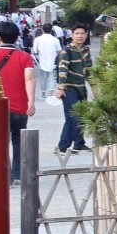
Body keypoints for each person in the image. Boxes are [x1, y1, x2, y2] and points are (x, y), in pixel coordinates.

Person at [0, 19, 34, 183]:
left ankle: (3, 174)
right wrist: (31, 101)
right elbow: (28, 79)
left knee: (0, 142)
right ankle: (17, 174)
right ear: (17, 38)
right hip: (19, 105)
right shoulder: (25, 57)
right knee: (18, 141)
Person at [56, 20, 92, 154]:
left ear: (86, 35)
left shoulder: (86, 51)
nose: (80, 36)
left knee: (81, 116)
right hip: (69, 89)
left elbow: (90, 71)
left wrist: (95, 88)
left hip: (81, 88)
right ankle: (62, 146)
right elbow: (62, 70)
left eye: (82, 33)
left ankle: (79, 143)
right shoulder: (66, 51)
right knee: (72, 117)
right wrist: (61, 88)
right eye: (77, 33)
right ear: (72, 35)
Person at [32, 22, 61, 102]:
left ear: (42, 29)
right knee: (52, 78)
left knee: (43, 78)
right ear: (51, 30)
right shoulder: (55, 40)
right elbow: (59, 51)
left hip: (42, 61)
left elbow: (35, 51)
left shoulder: (37, 39)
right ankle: (50, 94)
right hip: (53, 61)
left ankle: (43, 94)